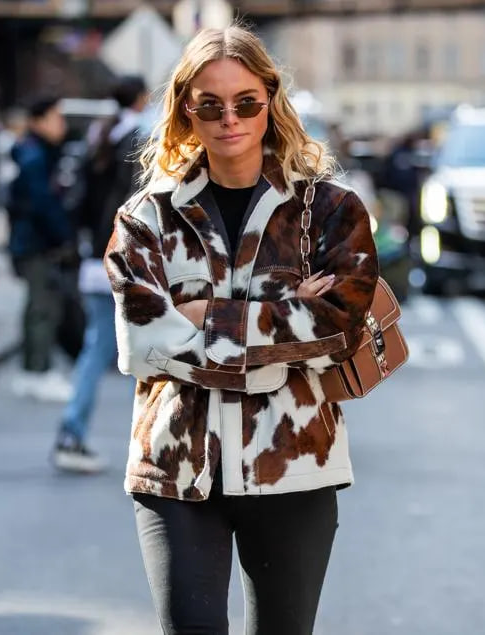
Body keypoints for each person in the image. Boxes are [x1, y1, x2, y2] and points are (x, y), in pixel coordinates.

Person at [105, 25, 378, 634]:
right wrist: (285, 316)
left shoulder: (330, 212)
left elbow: (339, 332)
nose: (229, 119)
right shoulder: (145, 219)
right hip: (175, 469)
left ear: (270, 100)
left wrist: (202, 316)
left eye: (246, 102)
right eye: (210, 105)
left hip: (295, 465)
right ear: (186, 109)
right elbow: (143, 346)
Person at [51, 75, 149, 473]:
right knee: (143, 354)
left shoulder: (100, 136)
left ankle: (73, 433)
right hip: (125, 259)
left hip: (95, 258)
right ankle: (147, 446)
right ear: (141, 98)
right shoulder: (136, 141)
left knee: (100, 350)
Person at [7, 95, 75, 402]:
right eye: (56, 118)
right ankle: (38, 371)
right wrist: (63, 235)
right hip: (36, 242)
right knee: (43, 307)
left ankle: (31, 370)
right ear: (38, 121)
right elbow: (42, 203)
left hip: (31, 240)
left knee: (37, 305)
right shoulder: (35, 157)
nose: (62, 125)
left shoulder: (34, 152)